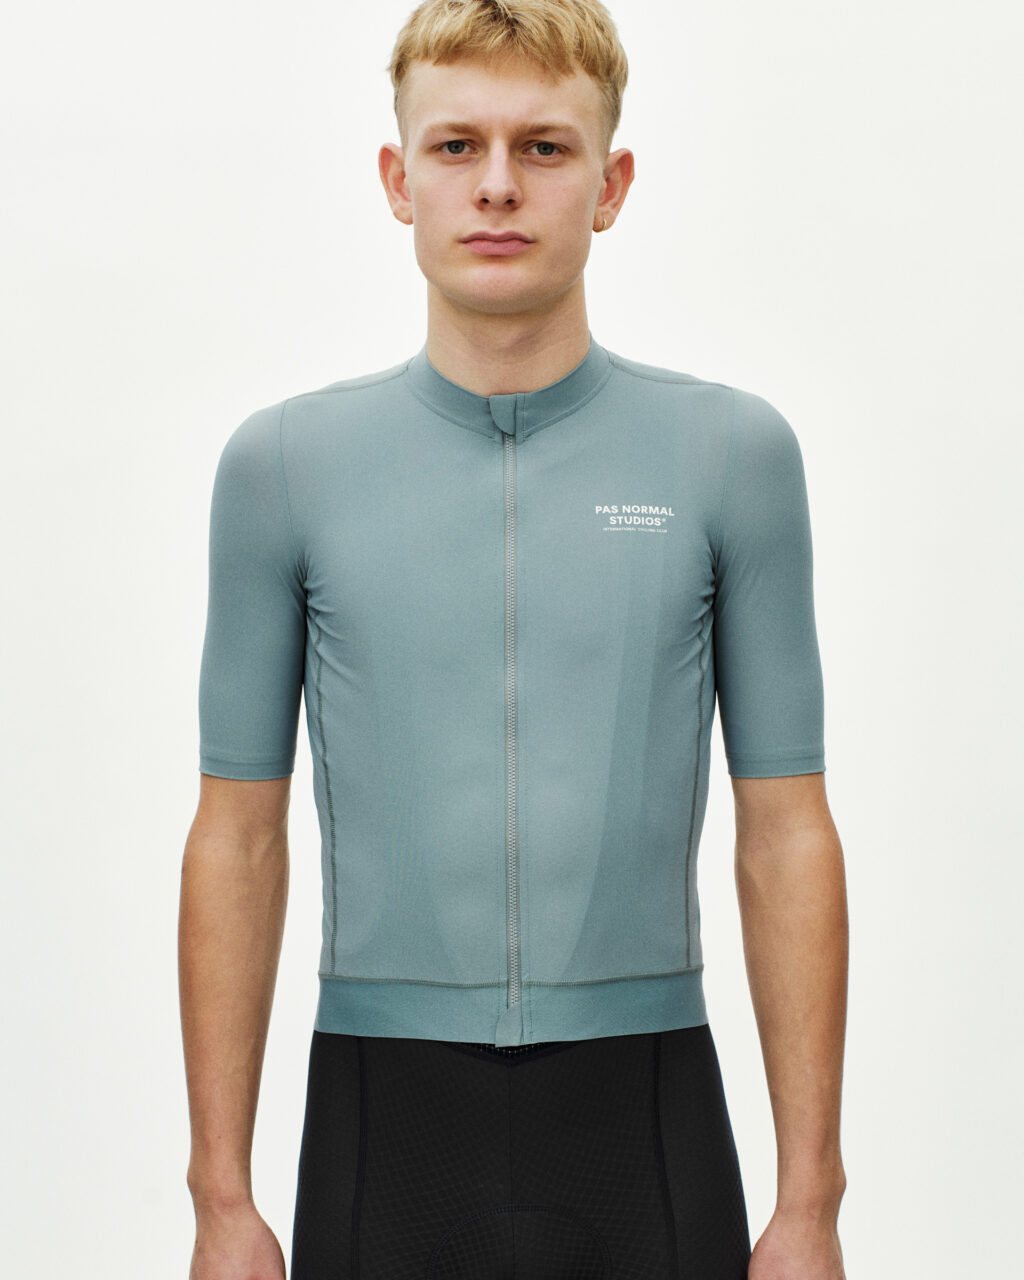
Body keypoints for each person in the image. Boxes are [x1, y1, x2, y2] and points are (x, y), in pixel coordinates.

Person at [178, 1, 849, 1277]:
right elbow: (236, 833)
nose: (497, 185)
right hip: (383, 1121)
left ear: (611, 183)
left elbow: (787, 831)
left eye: (544, 146)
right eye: (456, 146)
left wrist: (809, 1199)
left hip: (644, 1119)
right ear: (398, 180)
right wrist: (221, 1195)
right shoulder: (283, 467)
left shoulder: (729, 456)